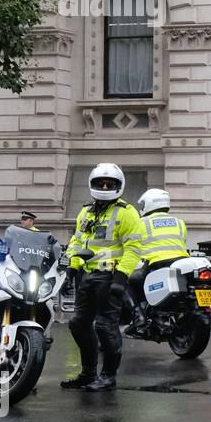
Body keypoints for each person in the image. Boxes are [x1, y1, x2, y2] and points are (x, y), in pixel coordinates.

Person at [62, 163, 143, 392]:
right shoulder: (85, 211)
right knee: (78, 324)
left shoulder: (127, 212)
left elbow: (133, 248)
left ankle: (108, 376)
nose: (105, 186)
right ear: (92, 184)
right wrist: (72, 269)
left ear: (119, 186)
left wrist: (121, 278)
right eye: (101, 183)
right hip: (87, 276)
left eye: (110, 183)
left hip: (110, 277)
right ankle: (88, 374)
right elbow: (77, 243)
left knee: (106, 327)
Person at [126, 189, 191, 337]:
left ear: (148, 204)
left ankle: (138, 317)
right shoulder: (179, 222)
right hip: (181, 265)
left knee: (125, 281)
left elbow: (131, 245)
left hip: (155, 265)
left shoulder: (141, 223)